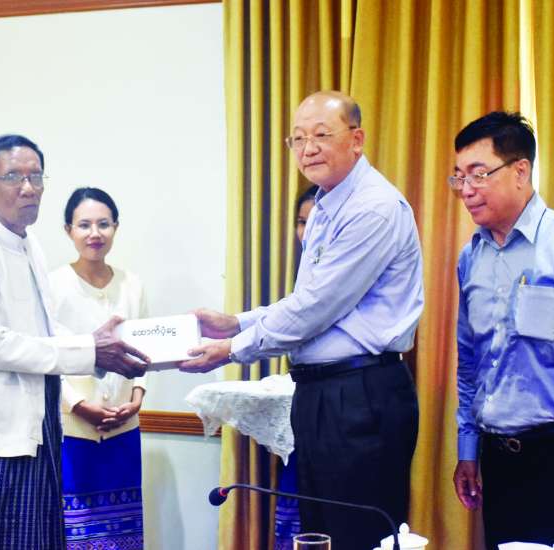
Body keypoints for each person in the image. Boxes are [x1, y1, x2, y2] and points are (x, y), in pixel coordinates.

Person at [181, 90, 424, 550]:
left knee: (356, 537)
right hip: (323, 393)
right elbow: (306, 301)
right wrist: (235, 323)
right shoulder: (326, 206)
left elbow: (316, 308)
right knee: (320, 535)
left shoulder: (372, 207)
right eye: (297, 138)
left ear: (357, 139)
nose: (307, 148)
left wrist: (231, 349)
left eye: (320, 135)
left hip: (359, 395)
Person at [0, 135, 147, 550]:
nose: (28, 188)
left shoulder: (29, 244)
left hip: (42, 422)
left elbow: (45, 330)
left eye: (36, 176)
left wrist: (98, 346)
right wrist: (91, 350)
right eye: (14, 177)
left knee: (43, 540)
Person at [450, 112, 554, 549]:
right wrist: (468, 450)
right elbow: (470, 363)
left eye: (478, 174)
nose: (466, 189)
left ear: (520, 171)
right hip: (499, 459)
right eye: (459, 177)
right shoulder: (472, 258)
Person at [49, 187, 147, 549]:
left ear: (115, 227)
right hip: (73, 431)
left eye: (103, 224)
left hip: (124, 428)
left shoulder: (132, 285)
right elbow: (47, 358)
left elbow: (147, 351)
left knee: (123, 536)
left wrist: (136, 399)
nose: (95, 233)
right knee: (75, 534)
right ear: (68, 230)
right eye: (84, 225)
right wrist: (78, 406)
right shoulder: (52, 285)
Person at [274, 184, 317, 550]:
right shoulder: (305, 270)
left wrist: (231, 345)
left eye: (315, 221)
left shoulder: (345, 266)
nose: (306, 231)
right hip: (309, 402)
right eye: (301, 222)